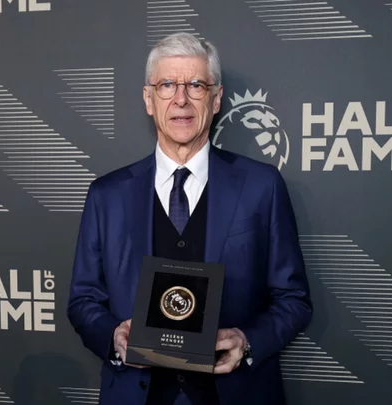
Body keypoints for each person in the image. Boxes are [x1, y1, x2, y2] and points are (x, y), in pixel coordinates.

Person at [67, 32, 312, 405]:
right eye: (167, 85)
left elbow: (293, 299)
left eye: (196, 85)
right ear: (149, 99)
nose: (181, 98)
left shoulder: (263, 187)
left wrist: (248, 343)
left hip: (237, 394)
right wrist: (113, 337)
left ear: (216, 100)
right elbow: (83, 301)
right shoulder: (107, 195)